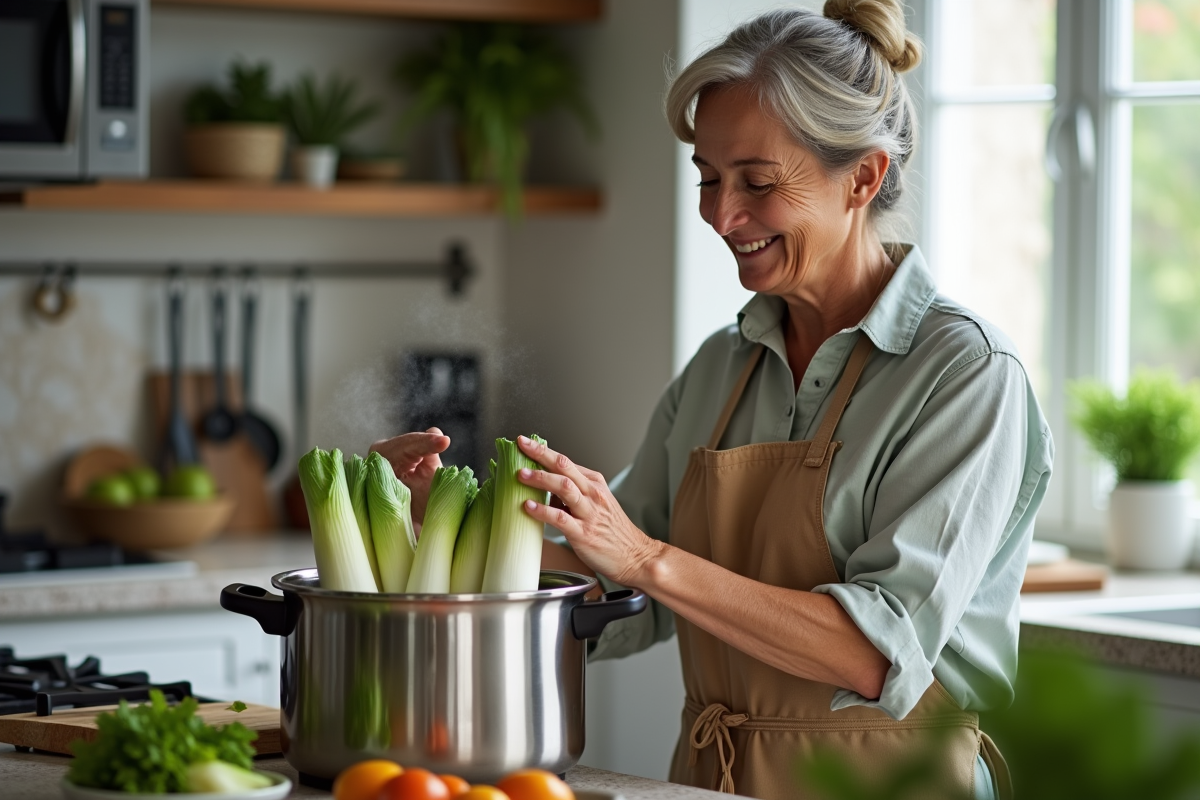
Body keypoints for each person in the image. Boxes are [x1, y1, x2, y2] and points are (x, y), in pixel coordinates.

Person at [370, 2, 1053, 798]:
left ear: (863, 176)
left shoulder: (964, 374)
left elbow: (875, 650)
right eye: (708, 178)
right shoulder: (724, 366)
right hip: (712, 784)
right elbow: (621, 591)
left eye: (758, 183)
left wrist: (643, 555)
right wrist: (443, 527)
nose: (722, 215)